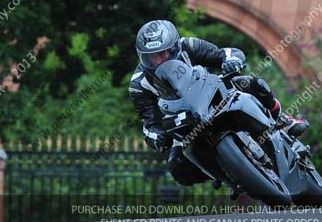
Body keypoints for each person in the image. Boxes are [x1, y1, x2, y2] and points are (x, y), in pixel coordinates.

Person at [129, 19, 308, 186]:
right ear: (143, 57)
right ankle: (226, 173)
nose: (160, 61)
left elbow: (226, 53)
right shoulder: (139, 85)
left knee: (251, 83)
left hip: (212, 96)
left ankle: (282, 120)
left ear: (173, 47)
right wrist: (157, 137)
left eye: (163, 54)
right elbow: (149, 125)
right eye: (153, 57)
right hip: (184, 123)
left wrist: (231, 61)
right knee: (178, 169)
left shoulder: (189, 46)